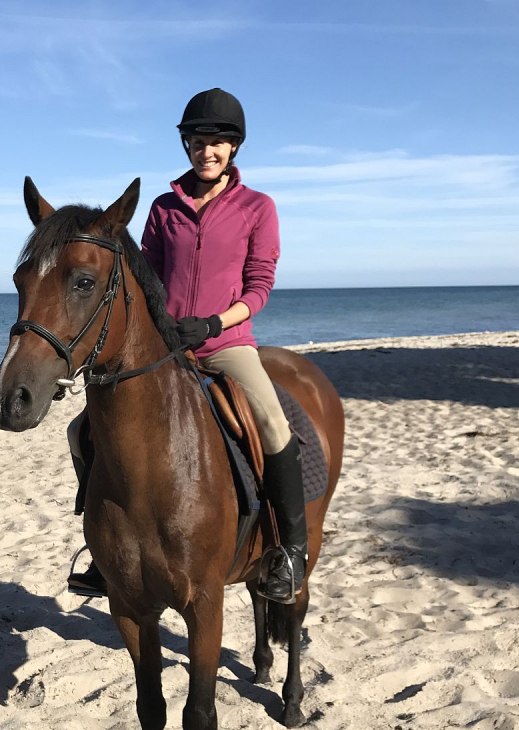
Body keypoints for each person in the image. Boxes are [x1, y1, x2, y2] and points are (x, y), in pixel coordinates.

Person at [67, 88, 307, 604]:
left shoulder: (257, 207)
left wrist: (215, 323)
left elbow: (259, 286)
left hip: (226, 342)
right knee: (83, 428)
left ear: (234, 148)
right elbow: (145, 273)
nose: (208, 151)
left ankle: (291, 550)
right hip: (167, 345)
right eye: (199, 141)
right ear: (187, 145)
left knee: (271, 421)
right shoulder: (163, 207)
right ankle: (103, 551)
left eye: (218, 142)